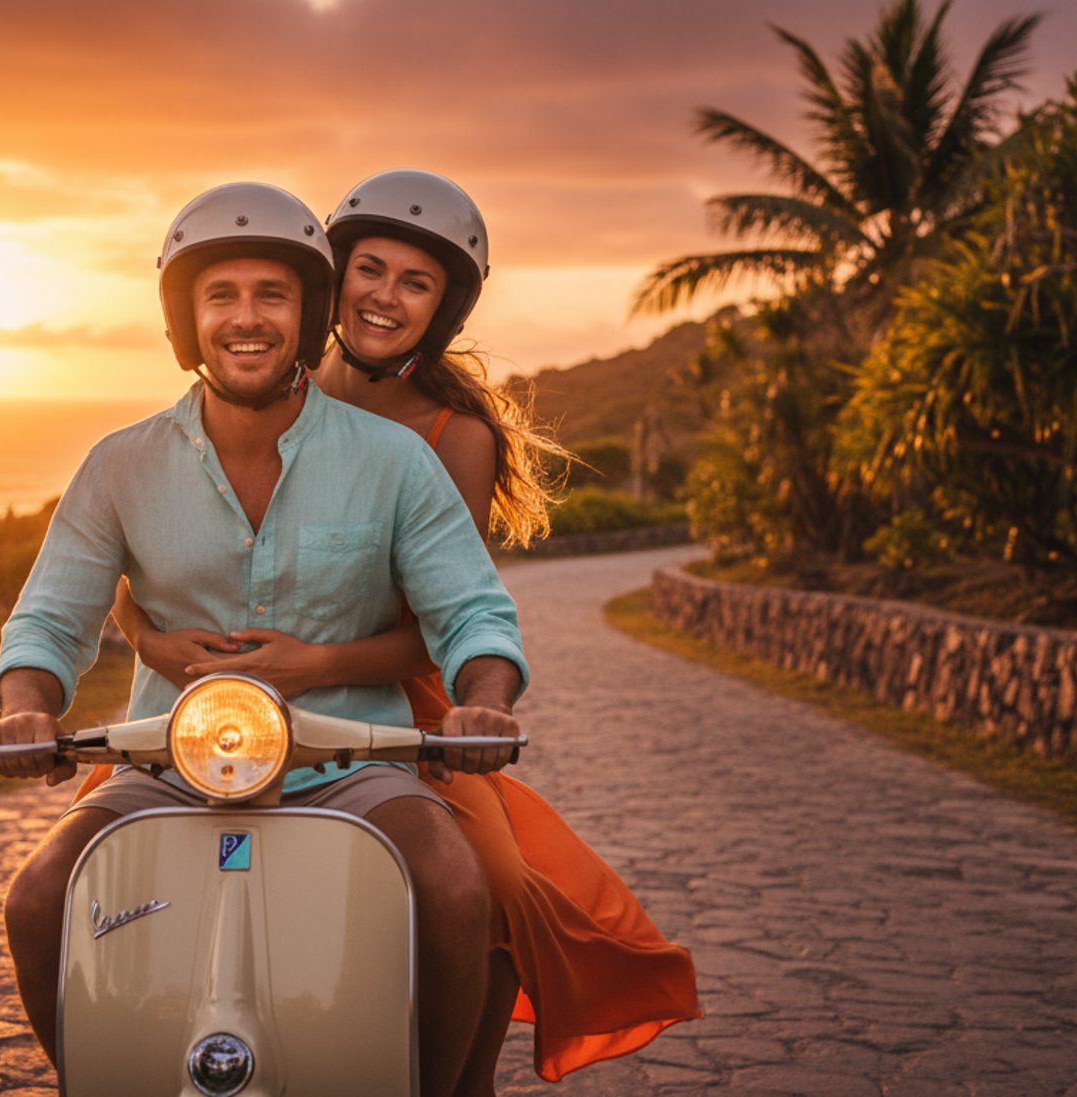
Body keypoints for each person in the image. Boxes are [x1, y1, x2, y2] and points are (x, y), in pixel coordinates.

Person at [110, 169, 701, 1088]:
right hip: (235, 701)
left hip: (400, 696)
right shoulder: (255, 376)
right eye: (370, 270)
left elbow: (441, 616)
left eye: (415, 282)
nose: (385, 296)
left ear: (445, 308)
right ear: (327, 282)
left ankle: (457, 1076)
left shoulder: (449, 433)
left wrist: (318, 666)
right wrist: (151, 644)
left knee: (493, 884)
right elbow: (148, 559)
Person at [0, 180, 530, 1097]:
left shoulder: (395, 461)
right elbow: (50, 617)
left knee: (456, 888)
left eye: (272, 295)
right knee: (38, 899)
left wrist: (485, 696)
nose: (247, 319)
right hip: (163, 766)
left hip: (354, 763)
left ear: (310, 313)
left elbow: (470, 607)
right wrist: (25, 706)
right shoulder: (119, 464)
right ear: (184, 320)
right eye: (221, 296)